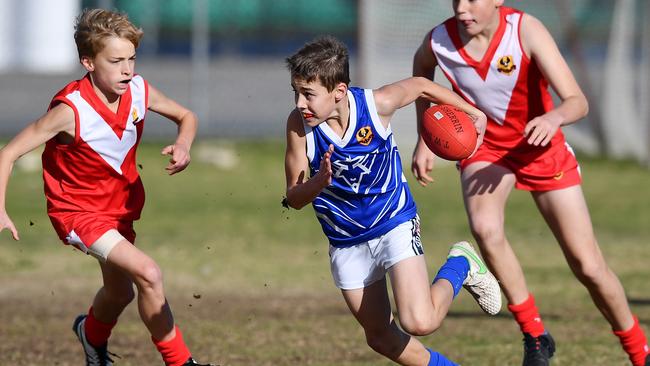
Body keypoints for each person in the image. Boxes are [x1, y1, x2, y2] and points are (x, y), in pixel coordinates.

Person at [411, 1, 649, 365]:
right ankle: (535, 334)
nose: (462, 8)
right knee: (485, 229)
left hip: (541, 147)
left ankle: (638, 348)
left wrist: (553, 118)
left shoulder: (525, 31)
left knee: (588, 266)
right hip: (486, 148)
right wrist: (425, 135)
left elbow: (577, 102)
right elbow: (421, 77)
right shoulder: (439, 41)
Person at [0, 9, 213, 366]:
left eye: (131, 59)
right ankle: (180, 362)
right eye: (115, 61)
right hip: (78, 213)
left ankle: (90, 334)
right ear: (88, 62)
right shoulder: (70, 110)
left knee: (119, 293)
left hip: (119, 210)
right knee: (149, 273)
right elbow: (8, 153)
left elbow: (187, 116)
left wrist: (184, 144)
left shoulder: (139, 90)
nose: (127, 70)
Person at [284, 35, 501, 366]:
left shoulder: (376, 105)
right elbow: (293, 197)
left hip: (393, 222)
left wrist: (473, 113)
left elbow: (419, 86)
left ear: (338, 92)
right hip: (346, 241)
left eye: (308, 94)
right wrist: (317, 183)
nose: (300, 103)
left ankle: (462, 264)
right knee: (381, 338)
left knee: (420, 321)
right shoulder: (298, 127)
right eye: (296, 92)